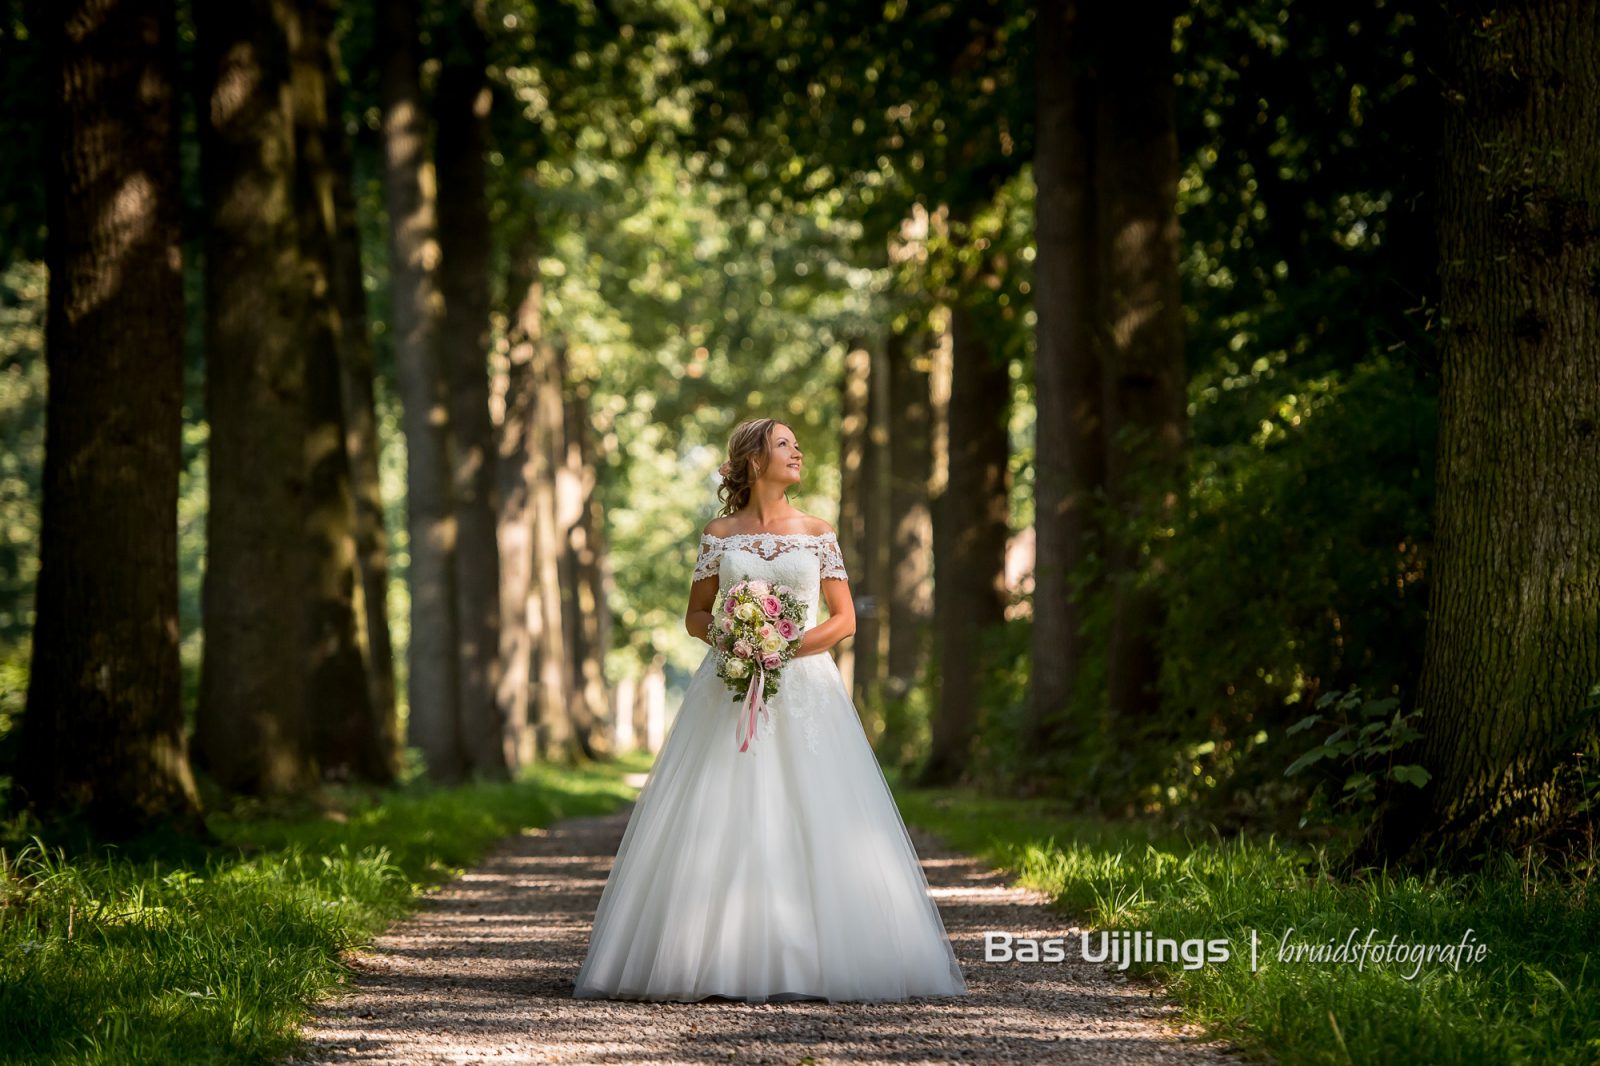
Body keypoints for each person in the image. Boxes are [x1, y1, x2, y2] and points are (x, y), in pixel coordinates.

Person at [572, 417, 969, 1003]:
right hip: (728, 686)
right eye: (785, 444)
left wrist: (780, 646)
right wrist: (736, 640)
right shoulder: (719, 534)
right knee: (720, 805)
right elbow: (696, 617)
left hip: (805, 688)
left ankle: (816, 955)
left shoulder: (816, 532)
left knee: (815, 806)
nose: (797, 452)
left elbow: (842, 619)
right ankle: (713, 955)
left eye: (797, 444)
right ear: (754, 460)